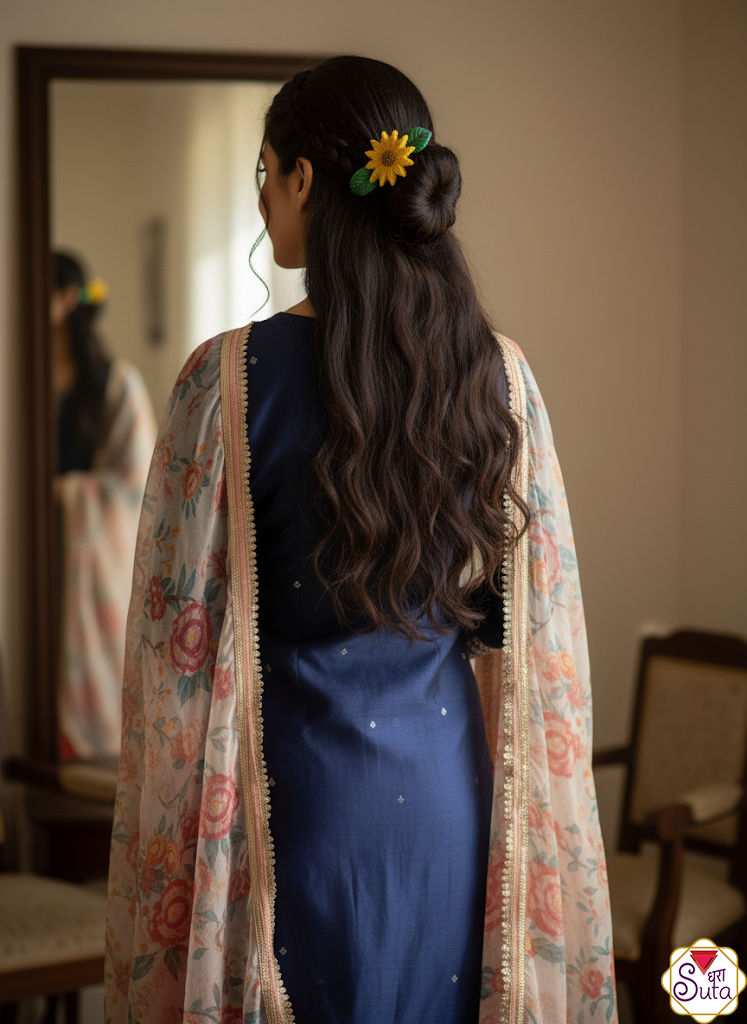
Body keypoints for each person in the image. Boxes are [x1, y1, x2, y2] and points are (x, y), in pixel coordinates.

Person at [105, 57, 617, 1024]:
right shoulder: (498, 378)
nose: (261, 198)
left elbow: (173, 642)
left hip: (295, 802)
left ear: (304, 180)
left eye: (265, 171)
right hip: (446, 800)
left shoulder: (227, 381)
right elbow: (523, 622)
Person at [53, 251, 157, 759]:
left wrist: (71, 493)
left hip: (89, 556)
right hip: (39, 545)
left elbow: (137, 480)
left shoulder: (117, 383)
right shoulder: (24, 378)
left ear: (66, 300)